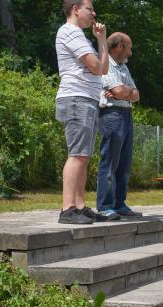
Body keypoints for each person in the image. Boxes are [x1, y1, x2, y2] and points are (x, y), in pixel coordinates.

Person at [55, 0, 109, 224]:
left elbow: (103, 69)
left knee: (83, 156)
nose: (94, 13)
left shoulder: (82, 36)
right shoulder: (70, 32)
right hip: (76, 98)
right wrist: (99, 50)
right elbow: (97, 67)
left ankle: (79, 206)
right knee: (77, 154)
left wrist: (102, 40)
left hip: (86, 99)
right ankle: (67, 209)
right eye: (90, 8)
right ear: (76, 10)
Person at [95, 32, 141, 220]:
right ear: (119, 46)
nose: (130, 52)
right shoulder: (106, 65)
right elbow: (119, 90)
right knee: (110, 162)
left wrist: (124, 92)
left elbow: (135, 95)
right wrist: (124, 91)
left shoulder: (123, 67)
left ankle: (119, 204)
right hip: (112, 115)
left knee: (124, 164)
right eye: (128, 47)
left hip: (126, 114)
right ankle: (105, 206)